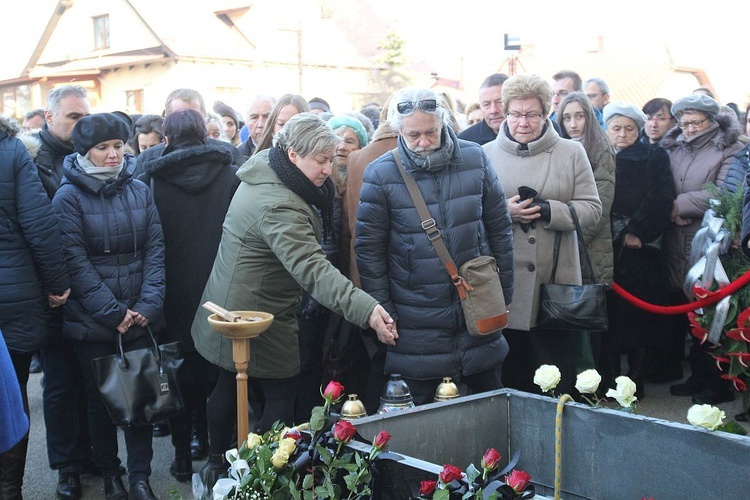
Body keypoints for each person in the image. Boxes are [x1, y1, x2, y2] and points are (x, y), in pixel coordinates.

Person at [190, 112, 395, 488]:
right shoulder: (279, 204)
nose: (327, 170)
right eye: (319, 160)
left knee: (224, 382)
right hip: (256, 312)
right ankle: (263, 477)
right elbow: (313, 269)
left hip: (230, 299)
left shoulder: (266, 170)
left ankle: (218, 466)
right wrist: (366, 309)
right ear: (292, 153)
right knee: (281, 393)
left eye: (331, 160)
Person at [356, 88, 514, 405]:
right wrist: (385, 311)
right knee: (421, 422)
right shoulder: (380, 173)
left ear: (443, 123)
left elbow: (499, 228)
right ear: (398, 131)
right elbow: (369, 252)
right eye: (414, 134)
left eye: (431, 131)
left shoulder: (475, 158)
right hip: (416, 319)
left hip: (477, 309)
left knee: (491, 411)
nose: (424, 142)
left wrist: (503, 293)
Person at [52, 113, 165, 500]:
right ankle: (110, 474)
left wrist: (147, 304)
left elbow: (155, 249)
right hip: (93, 318)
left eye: (118, 145)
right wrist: (114, 313)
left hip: (139, 313)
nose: (113, 154)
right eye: (102, 148)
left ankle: (139, 477)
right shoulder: (67, 196)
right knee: (100, 402)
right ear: (85, 152)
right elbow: (74, 262)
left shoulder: (139, 189)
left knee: (141, 400)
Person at [482, 73, 602, 396]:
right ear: (505, 113)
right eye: (517, 114)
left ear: (546, 113)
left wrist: (551, 211)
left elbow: (593, 210)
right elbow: (471, 217)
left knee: (556, 383)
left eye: (532, 114)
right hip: (504, 288)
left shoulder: (571, 153)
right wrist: (505, 213)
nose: (524, 122)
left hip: (555, 287)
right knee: (511, 381)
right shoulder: (485, 155)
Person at [137, 108, 240, 483]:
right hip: (221, 291)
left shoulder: (152, 181)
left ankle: (181, 458)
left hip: (171, 294)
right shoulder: (231, 176)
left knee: (178, 379)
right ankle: (214, 455)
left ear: (166, 139)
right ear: (207, 135)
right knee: (218, 377)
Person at [0, 115, 70, 500]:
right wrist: (58, 283)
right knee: (11, 395)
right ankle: (10, 489)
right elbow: (39, 224)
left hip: (12, 296)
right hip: (15, 296)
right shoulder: (11, 149)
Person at [30, 85, 93, 500]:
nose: (80, 124)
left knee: (91, 379)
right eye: (72, 117)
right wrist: (54, 284)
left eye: (84, 116)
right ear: (49, 118)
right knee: (59, 383)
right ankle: (66, 466)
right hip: (52, 292)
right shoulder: (31, 160)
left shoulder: (90, 157)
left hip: (90, 287)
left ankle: (92, 456)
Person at [661, 94, 744, 403]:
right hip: (674, 237)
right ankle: (696, 376)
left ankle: (715, 382)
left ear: (712, 121)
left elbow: (721, 193)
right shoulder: (674, 147)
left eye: (696, 122)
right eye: (684, 122)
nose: (690, 128)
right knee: (685, 312)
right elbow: (663, 181)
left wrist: (675, 206)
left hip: (710, 242)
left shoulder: (729, 148)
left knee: (711, 312)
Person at [602, 102, 675, 398]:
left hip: (639, 249)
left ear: (638, 129)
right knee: (610, 319)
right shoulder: (598, 156)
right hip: (606, 245)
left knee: (640, 321)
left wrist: (637, 230)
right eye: (616, 128)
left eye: (629, 128)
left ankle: (636, 379)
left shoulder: (654, 156)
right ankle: (608, 378)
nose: (622, 134)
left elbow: (661, 195)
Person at [342, 95, 398, 413]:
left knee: (376, 359)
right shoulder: (412, 153)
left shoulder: (358, 158)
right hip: (411, 280)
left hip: (364, 278)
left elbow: (350, 232)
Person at [556, 92, 616, 391]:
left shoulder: (600, 148)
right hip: (563, 241)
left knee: (589, 315)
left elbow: (600, 205)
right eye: (567, 117)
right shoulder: (558, 148)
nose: (573, 123)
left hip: (589, 245)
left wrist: (571, 234)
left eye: (579, 116)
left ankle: (594, 384)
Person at [135, 88, 242, 175]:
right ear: (166, 120)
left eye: (194, 116)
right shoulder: (147, 159)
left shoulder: (227, 153)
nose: (187, 121)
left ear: (205, 119)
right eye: (179, 116)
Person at [458, 73, 509, 145]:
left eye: (500, 102)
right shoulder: (465, 142)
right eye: (486, 104)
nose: (493, 110)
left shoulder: (528, 136)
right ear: (480, 106)